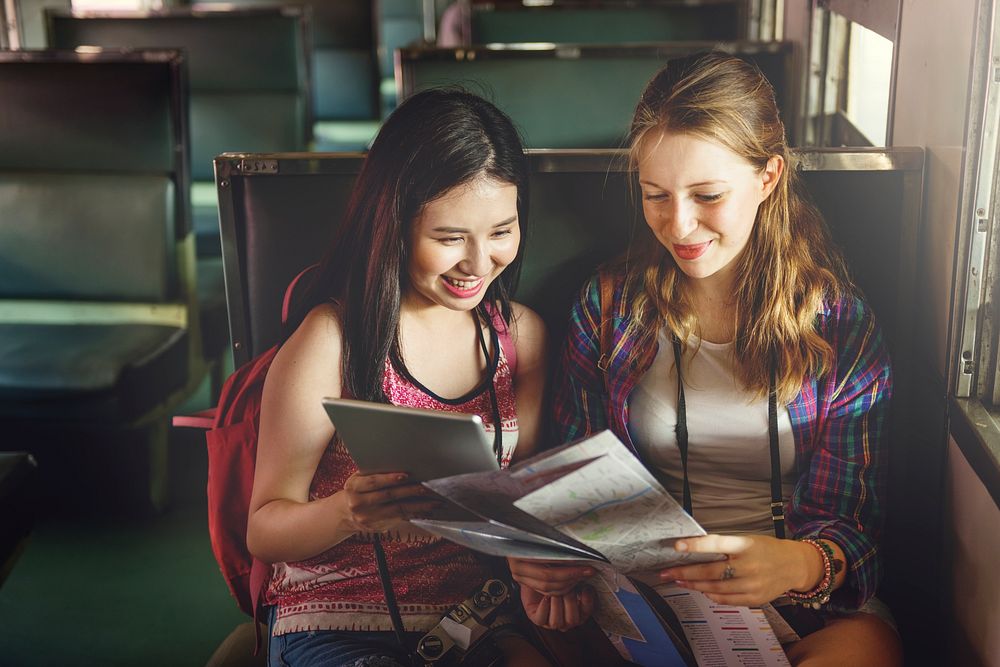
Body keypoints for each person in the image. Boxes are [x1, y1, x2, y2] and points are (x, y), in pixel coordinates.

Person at [509, 52, 903, 666]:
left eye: (707, 194)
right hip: (649, 600)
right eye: (656, 195)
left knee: (869, 647)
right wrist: (551, 566)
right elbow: (578, 482)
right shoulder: (609, 309)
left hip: (802, 603)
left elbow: (854, 530)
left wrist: (795, 563)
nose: (680, 224)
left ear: (768, 177)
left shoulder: (840, 327)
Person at [246, 88, 550, 667]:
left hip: (477, 616)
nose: (480, 263)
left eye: (501, 232)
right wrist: (345, 512)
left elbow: (522, 502)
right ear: (393, 223)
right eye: (449, 238)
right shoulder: (330, 340)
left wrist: (541, 564)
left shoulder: (520, 338)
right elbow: (264, 529)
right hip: (335, 618)